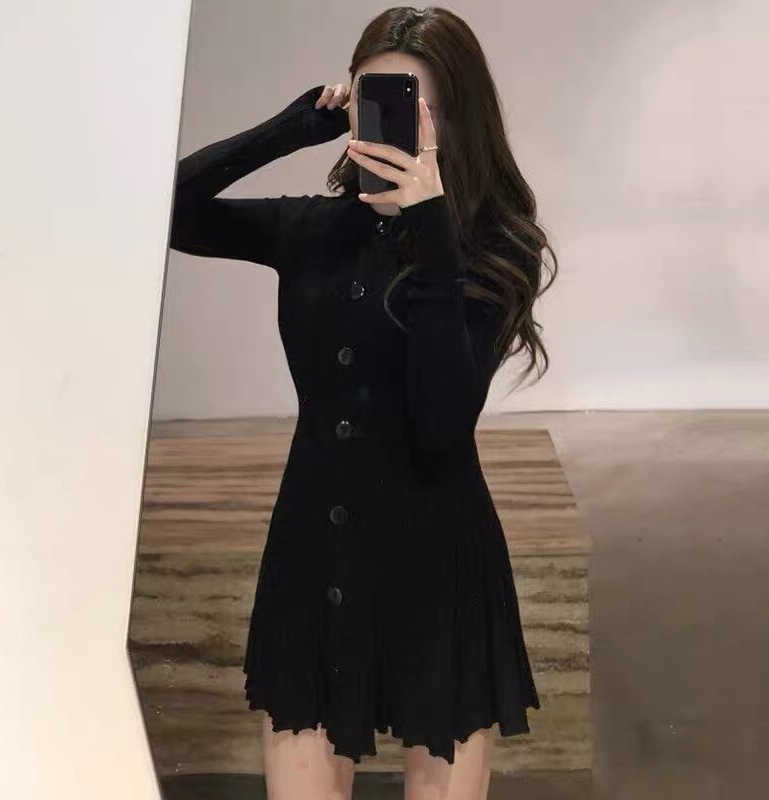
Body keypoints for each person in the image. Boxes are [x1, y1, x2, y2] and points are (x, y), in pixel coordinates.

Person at [169, 6, 556, 799]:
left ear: (454, 119)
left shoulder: (492, 250)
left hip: (438, 561)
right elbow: (168, 209)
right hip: (318, 553)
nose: (394, 128)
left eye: (417, 107)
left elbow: (442, 423)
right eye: (377, 102)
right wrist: (290, 129)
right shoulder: (311, 229)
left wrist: (434, 234)